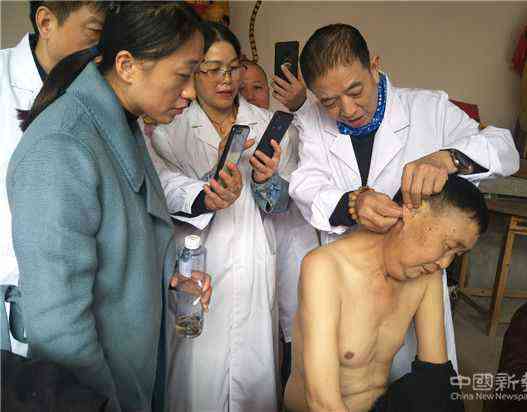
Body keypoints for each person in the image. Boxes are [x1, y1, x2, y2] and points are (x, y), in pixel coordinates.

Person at [274, 23, 520, 379]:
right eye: (329, 101)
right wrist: (353, 203)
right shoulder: (312, 121)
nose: (347, 108)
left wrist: (448, 158)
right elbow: (306, 183)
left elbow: (504, 148)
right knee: (354, 375)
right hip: (351, 275)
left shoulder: (427, 108)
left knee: (421, 375)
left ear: (374, 66)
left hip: (419, 277)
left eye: (355, 91)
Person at [7, 3, 212, 411]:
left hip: (131, 377)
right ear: (127, 65)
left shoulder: (120, 125)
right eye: (183, 74)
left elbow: (121, 242)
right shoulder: (63, 146)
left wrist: (165, 279)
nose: (191, 92)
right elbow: (59, 324)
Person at [146, 22, 291, 412]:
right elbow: (167, 192)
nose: (226, 79)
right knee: (196, 380)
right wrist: (214, 177)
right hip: (197, 265)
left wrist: (267, 181)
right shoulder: (168, 128)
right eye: (212, 69)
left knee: (255, 379)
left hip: (254, 261)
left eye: (233, 67)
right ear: (193, 70)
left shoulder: (267, 124)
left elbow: (283, 207)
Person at [284, 175, 487, 412]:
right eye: (448, 246)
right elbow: (322, 402)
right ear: (411, 211)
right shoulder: (326, 267)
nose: (445, 263)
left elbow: (435, 377)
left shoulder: (428, 274)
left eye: (456, 254)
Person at [0, 0, 107, 357]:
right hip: (12, 296)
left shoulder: (103, 90)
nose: (105, 45)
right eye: (95, 31)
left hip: (87, 298)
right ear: (46, 22)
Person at [239, 58, 320, 388]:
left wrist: (301, 103)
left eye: (258, 87)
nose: (249, 96)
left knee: (294, 332)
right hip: (247, 244)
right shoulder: (229, 133)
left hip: (290, 240)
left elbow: (303, 187)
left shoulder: (292, 128)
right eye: (241, 89)